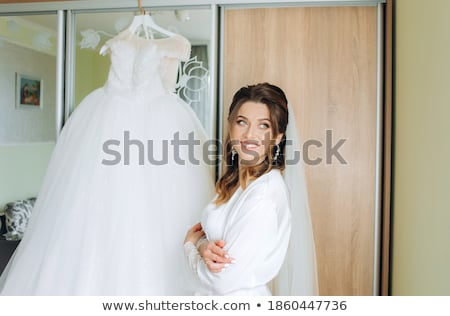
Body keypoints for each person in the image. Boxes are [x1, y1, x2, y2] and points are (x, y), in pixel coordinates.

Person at [0, 14, 214, 295]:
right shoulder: (118, 42)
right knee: (91, 215)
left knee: (154, 217)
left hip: (157, 137)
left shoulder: (175, 44)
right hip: (107, 128)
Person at [184, 83, 318, 296]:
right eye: (241, 122)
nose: (249, 134)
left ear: (277, 137)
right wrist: (202, 245)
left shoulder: (264, 195)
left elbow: (222, 281)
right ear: (231, 126)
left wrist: (190, 248)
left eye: (263, 125)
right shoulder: (234, 184)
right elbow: (210, 242)